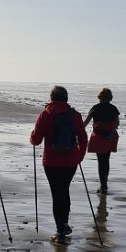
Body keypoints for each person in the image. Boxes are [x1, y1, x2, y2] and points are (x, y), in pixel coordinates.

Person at [30, 85, 87, 243]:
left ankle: (60, 231)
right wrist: (79, 157)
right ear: (66, 98)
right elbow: (83, 139)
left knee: (57, 193)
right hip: (70, 161)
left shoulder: (45, 115)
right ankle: (65, 223)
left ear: (51, 98)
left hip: (51, 161)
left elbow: (36, 140)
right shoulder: (75, 115)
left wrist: (32, 135)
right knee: (64, 190)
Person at [83, 87, 120, 194]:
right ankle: (105, 184)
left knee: (100, 161)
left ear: (99, 97)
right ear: (110, 98)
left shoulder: (95, 108)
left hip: (98, 137)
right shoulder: (113, 108)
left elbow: (85, 123)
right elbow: (117, 124)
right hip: (110, 137)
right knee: (106, 160)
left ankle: (103, 185)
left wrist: (76, 131)